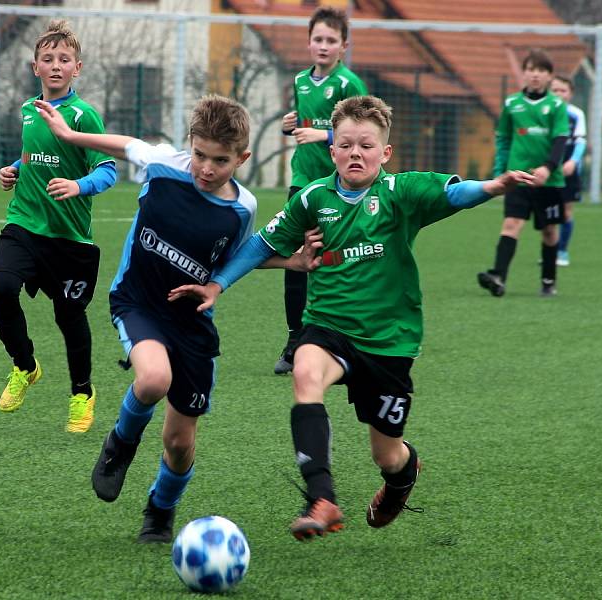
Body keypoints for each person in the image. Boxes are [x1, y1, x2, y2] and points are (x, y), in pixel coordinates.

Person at [168, 95, 535, 540]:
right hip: (328, 327)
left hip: (388, 340)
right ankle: (322, 499)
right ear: (331, 150)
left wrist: (495, 186)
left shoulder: (401, 193)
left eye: (366, 145)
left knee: (387, 454)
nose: (355, 153)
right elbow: (262, 244)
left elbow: (454, 192)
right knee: (304, 372)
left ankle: (402, 477)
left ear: (385, 153)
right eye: (345, 144)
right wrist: (217, 284)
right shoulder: (313, 197)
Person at [35, 94, 315, 543]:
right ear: (190, 144)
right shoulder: (164, 165)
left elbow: (238, 258)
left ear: (241, 158)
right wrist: (70, 136)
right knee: (151, 380)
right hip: (139, 301)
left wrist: (291, 262)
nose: (206, 168)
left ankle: (159, 512)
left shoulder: (242, 208)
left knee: (180, 443)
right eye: (200, 155)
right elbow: (126, 146)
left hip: (192, 324)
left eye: (220, 161)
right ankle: (120, 444)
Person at [0, 20, 116, 433]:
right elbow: (32, 156)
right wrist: (13, 169)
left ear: (77, 68)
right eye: (48, 59)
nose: (56, 66)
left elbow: (109, 170)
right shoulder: (29, 111)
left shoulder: (84, 115)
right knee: (1, 289)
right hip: (24, 224)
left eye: (64, 60)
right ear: (35, 68)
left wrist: (79, 185)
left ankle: (82, 393)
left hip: (69, 239)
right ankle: (24, 365)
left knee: (69, 317)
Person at [275, 5, 368, 375]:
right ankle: (295, 339)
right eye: (318, 39)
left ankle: (350, 339)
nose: (324, 46)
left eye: (331, 40)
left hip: (340, 185)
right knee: (297, 258)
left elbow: (362, 131)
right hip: (303, 182)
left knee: (342, 260)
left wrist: (324, 134)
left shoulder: (349, 84)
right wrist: (290, 125)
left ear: (343, 46)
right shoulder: (300, 80)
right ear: (309, 43)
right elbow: (303, 123)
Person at [478, 49, 570, 298]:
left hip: (549, 181)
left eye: (541, 70)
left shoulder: (557, 106)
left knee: (550, 231)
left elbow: (561, 140)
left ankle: (548, 281)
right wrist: (499, 174)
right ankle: (498, 276)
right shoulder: (511, 104)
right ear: (524, 73)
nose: (535, 75)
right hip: (517, 177)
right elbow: (503, 139)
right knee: (511, 224)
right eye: (530, 70)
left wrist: (548, 168)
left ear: (550, 76)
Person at [550, 75, 587, 267]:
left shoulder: (576, 114)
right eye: (554, 90)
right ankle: (550, 251)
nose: (558, 94)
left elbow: (580, 141)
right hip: (549, 169)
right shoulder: (545, 113)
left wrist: (573, 162)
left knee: (565, 211)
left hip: (568, 171)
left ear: (570, 94)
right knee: (549, 212)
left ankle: (562, 251)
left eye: (562, 90)